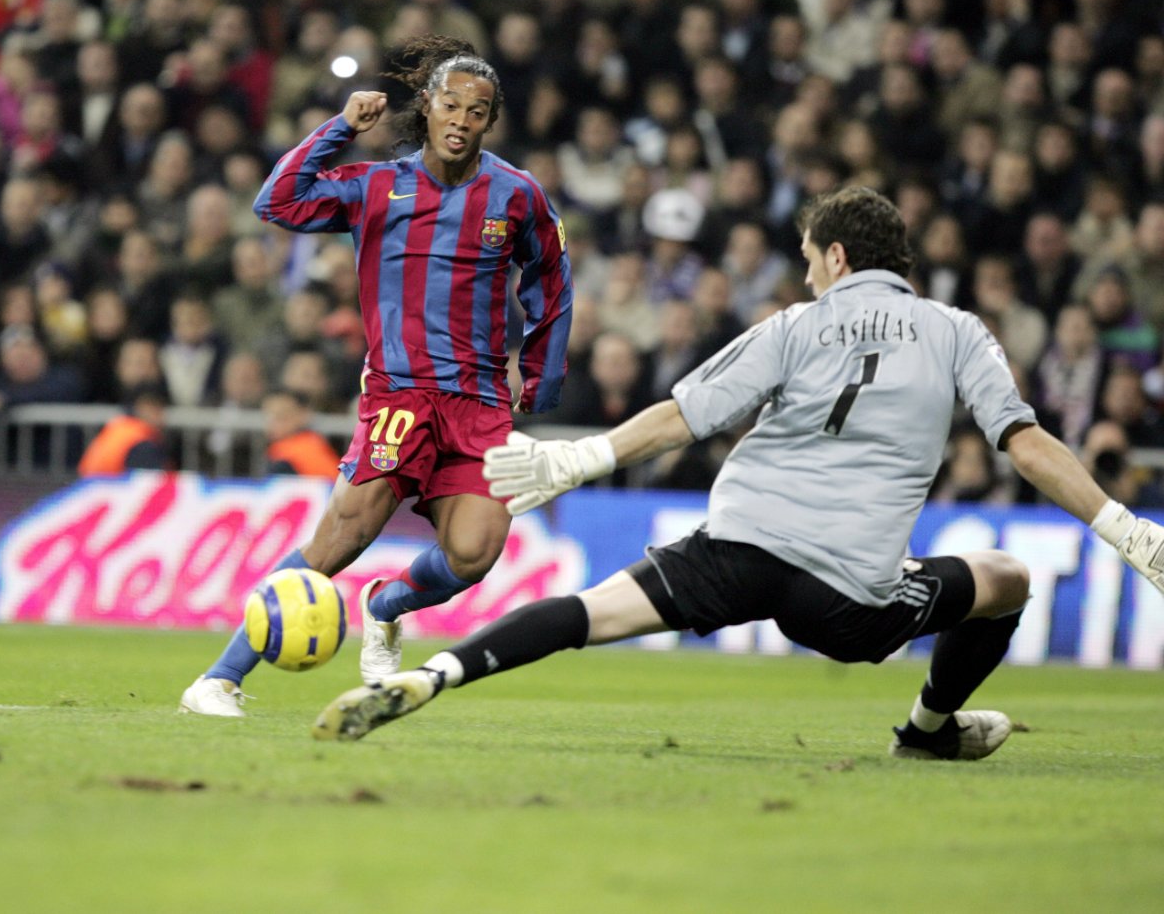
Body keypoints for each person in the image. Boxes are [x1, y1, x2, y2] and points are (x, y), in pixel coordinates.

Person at [313, 186, 1164, 758]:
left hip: (739, 545)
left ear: (833, 257)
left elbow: (687, 413)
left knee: (588, 612)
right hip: (848, 594)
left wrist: (580, 457)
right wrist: (1124, 527)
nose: (804, 271)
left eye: (805, 257)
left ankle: (437, 672)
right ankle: (929, 729)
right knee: (1006, 578)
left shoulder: (795, 326)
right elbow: (1026, 442)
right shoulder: (959, 331)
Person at [180, 36, 573, 717]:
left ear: (489, 120)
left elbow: (552, 280)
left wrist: (538, 371)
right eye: (449, 104)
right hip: (399, 392)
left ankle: (387, 604)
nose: (460, 119)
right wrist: (338, 130)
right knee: (342, 535)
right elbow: (277, 203)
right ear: (427, 106)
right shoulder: (377, 185)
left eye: (476, 111)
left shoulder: (517, 195)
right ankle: (217, 678)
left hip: (479, 403)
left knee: (474, 552)